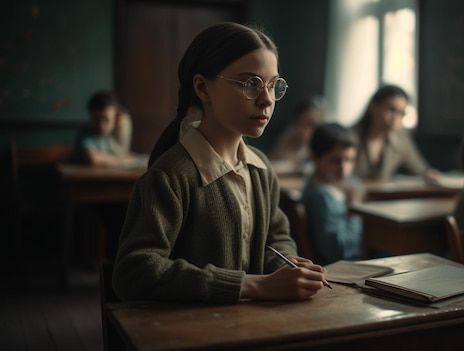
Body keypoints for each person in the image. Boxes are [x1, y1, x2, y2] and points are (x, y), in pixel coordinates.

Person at [112, 22, 328, 303]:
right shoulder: (170, 176)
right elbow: (134, 272)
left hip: (258, 326)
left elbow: (277, 237)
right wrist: (255, 287)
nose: (266, 100)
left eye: (273, 85)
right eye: (251, 83)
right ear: (203, 88)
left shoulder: (260, 168)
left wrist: (285, 265)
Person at [300, 123, 363, 265]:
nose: (343, 169)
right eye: (336, 160)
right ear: (315, 157)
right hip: (341, 268)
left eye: (349, 160)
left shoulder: (342, 185)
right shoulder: (321, 197)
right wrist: (354, 209)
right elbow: (339, 252)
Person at [352, 85, 440, 181]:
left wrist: (430, 174)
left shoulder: (400, 137)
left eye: (401, 112)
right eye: (391, 109)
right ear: (373, 106)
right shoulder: (350, 137)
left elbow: (419, 169)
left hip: (383, 194)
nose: (396, 117)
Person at [72, 90, 137, 167]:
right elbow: (93, 159)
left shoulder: (106, 137)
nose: (101, 125)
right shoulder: (86, 132)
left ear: (115, 116)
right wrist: (123, 159)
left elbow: (121, 151)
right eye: (96, 119)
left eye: (106, 120)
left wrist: (124, 123)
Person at [269, 96, 325, 174]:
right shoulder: (290, 135)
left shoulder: (326, 142)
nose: (305, 130)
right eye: (300, 123)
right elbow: (273, 163)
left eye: (311, 124)